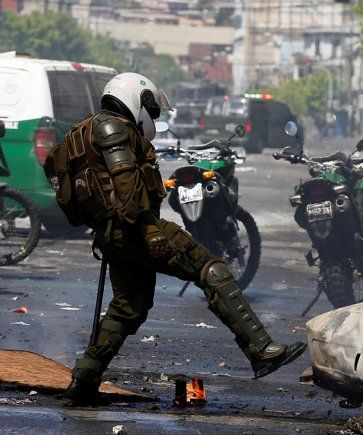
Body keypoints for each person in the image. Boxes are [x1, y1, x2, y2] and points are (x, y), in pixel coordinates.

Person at [54, 73, 305, 405]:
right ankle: (261, 350)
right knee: (210, 268)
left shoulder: (84, 131)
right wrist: (148, 231)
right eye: (150, 108)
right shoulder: (112, 128)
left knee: (128, 309)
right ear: (134, 97)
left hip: (112, 234)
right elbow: (127, 189)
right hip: (137, 229)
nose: (152, 116)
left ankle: (83, 383)